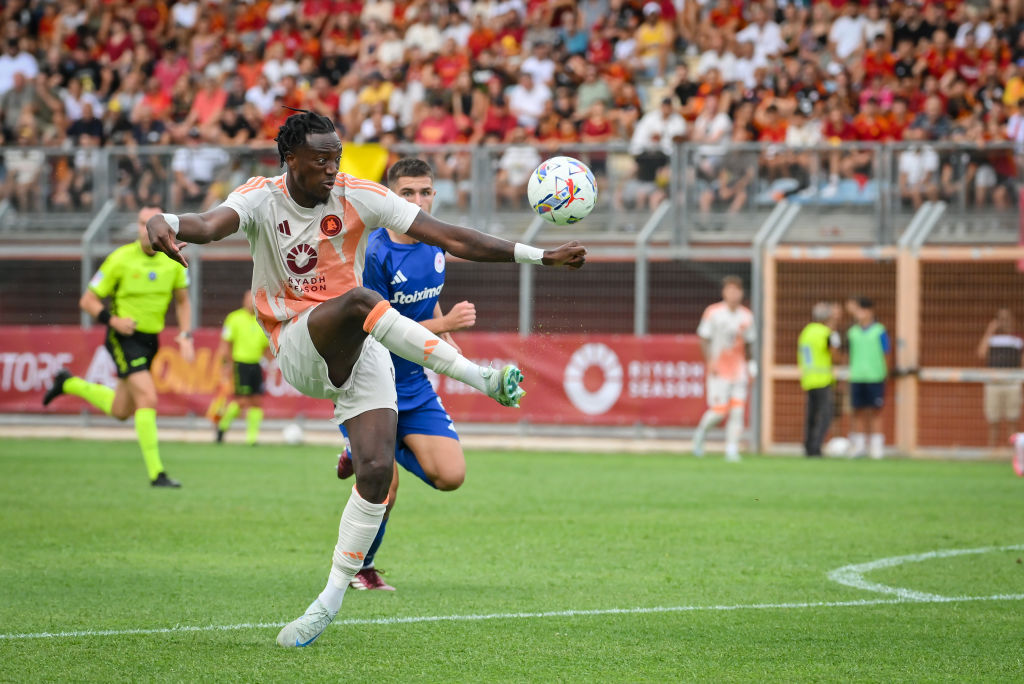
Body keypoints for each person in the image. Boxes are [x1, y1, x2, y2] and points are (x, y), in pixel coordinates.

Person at [144, 109, 585, 648]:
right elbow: (209, 225)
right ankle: (481, 379)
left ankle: (328, 598)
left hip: (365, 346)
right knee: (359, 299)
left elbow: (451, 236)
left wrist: (540, 256)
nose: (332, 168)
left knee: (376, 473)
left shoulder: (358, 194)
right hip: (298, 341)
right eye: (320, 159)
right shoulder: (260, 197)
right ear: (290, 158)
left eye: (337, 157)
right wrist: (164, 219)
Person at [335, 157, 475, 591]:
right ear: (390, 197)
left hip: (413, 384)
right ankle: (361, 569)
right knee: (385, 489)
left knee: (451, 477)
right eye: (407, 193)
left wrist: (449, 347)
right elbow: (378, 328)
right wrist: (446, 326)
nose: (418, 201)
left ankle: (368, 455)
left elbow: (426, 304)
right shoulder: (374, 251)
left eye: (426, 192)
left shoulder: (435, 245)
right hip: (370, 383)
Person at [42, 207, 192, 488]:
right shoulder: (120, 259)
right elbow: (88, 301)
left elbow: (183, 301)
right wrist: (113, 320)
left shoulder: (172, 259)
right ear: (137, 228)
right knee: (147, 398)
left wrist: (185, 334)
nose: (146, 228)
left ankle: (68, 383)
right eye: (141, 223)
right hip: (123, 338)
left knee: (122, 410)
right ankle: (157, 474)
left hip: (151, 341)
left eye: (152, 223)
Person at [692, 276, 756, 462]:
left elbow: (750, 344)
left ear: (742, 293)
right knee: (719, 412)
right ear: (724, 292)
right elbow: (704, 338)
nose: (733, 294)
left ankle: (731, 448)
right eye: (730, 290)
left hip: (738, 370)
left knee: (737, 411)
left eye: (737, 290)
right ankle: (700, 435)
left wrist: (751, 366)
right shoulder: (713, 312)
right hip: (719, 370)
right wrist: (710, 361)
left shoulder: (746, 316)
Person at [215, 289, 271, 445]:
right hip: (241, 364)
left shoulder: (262, 320)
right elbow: (226, 343)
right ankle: (222, 426)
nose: (251, 302)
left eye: (254, 299)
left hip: (256, 364)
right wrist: (226, 365)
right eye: (249, 299)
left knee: (257, 401)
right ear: (244, 300)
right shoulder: (234, 318)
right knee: (242, 401)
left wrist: (267, 361)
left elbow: (267, 346)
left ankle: (252, 439)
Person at [846, 297, 890, 459]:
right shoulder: (852, 332)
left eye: (863, 310)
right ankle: (859, 446)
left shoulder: (879, 330)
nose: (860, 314)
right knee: (857, 411)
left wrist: (885, 373)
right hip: (857, 376)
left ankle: (876, 447)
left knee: (875, 412)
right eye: (858, 310)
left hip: (875, 376)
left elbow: (886, 353)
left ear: (871, 311)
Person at [798, 302, 841, 457]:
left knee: (811, 414)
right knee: (826, 414)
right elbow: (835, 356)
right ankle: (816, 447)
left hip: (808, 378)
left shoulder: (806, 331)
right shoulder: (826, 333)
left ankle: (808, 446)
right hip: (823, 379)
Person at [977, 309, 1023, 447]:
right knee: (993, 420)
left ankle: (1012, 451)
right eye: (1001, 319)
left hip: (1012, 383)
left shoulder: (1018, 339)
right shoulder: (992, 339)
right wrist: (990, 330)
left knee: (1013, 419)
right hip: (994, 383)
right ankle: (992, 451)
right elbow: (981, 353)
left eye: (1007, 319)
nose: (1004, 322)